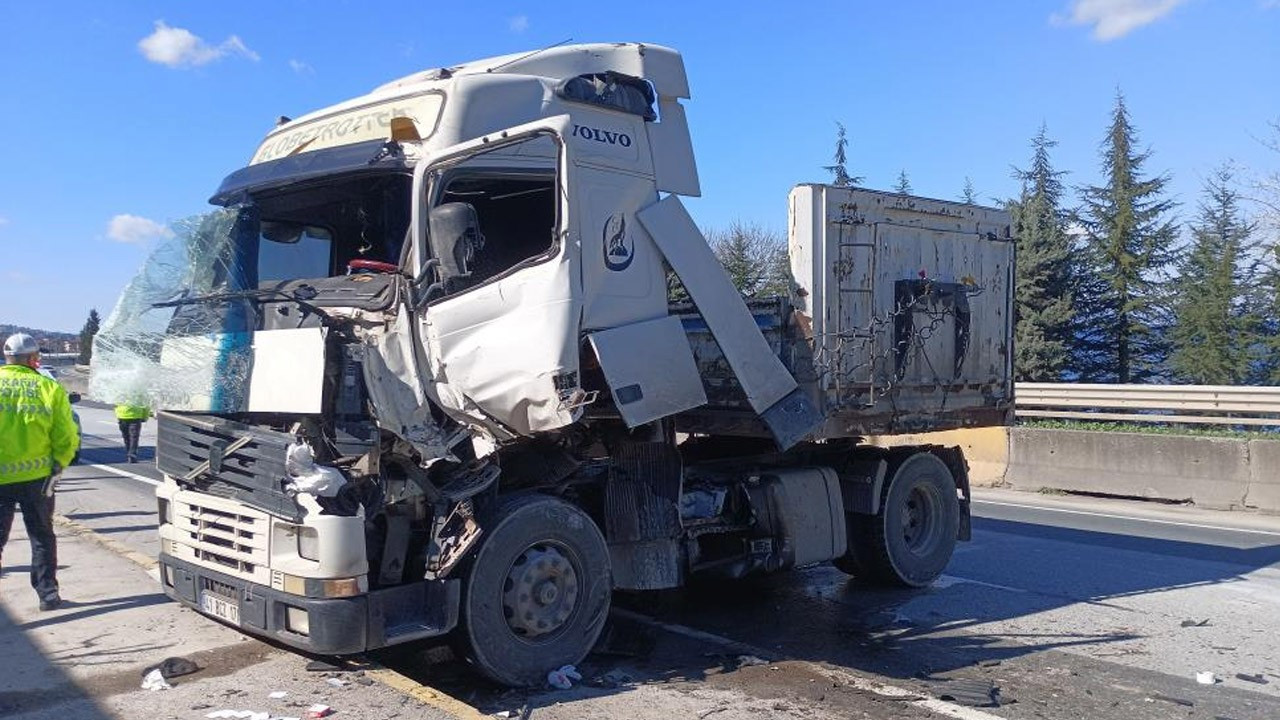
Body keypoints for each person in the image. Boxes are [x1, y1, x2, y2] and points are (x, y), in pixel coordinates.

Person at [0, 333, 79, 611]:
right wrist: (60, 463)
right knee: (42, 536)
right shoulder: (48, 387)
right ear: (34, 359)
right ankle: (48, 595)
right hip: (38, 479)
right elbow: (66, 435)